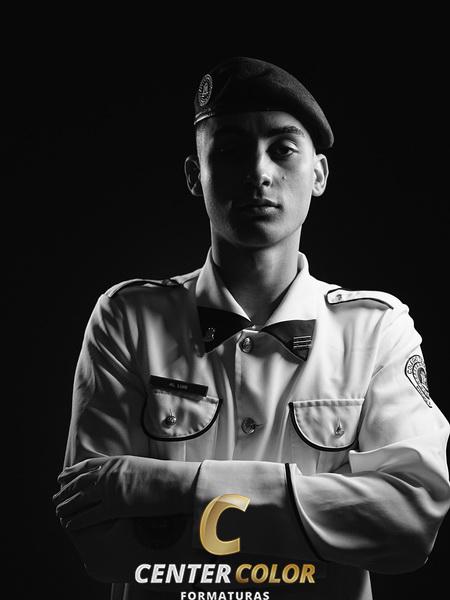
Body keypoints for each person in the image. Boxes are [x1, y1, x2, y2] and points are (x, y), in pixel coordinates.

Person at [53, 57, 450, 600]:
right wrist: (324, 516)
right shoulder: (127, 318)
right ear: (195, 175)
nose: (258, 172)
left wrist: (173, 486)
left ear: (319, 174)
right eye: (230, 150)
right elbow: (101, 545)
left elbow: (409, 524)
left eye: (282, 149)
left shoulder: (376, 330)